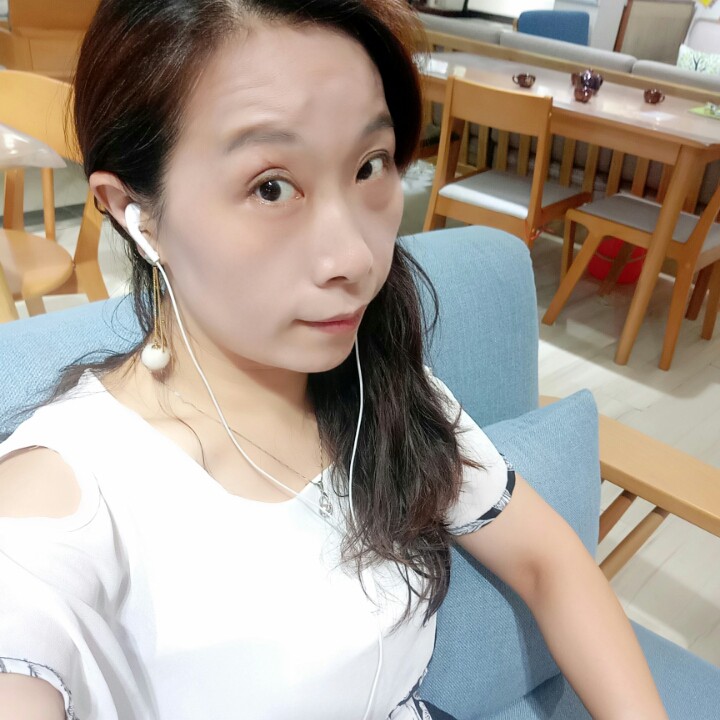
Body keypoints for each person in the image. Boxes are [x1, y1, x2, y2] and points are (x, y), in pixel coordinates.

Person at [0, 1, 668, 718]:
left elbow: (548, 562)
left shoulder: (384, 386)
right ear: (135, 212)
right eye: (271, 186)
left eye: (370, 166)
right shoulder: (64, 500)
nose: (355, 256)